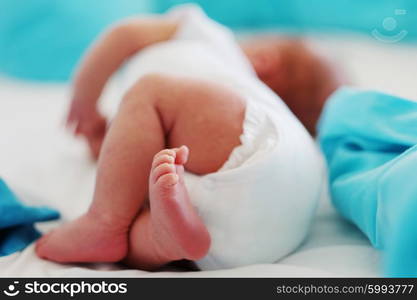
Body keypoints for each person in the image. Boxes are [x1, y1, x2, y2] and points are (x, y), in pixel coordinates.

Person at [35, 5, 337, 270]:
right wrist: (107, 144)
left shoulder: (207, 37)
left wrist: (84, 101)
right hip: (280, 225)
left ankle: (103, 220)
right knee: (136, 217)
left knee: (149, 90)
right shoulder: (216, 121)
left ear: (264, 59)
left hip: (268, 150)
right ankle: (161, 240)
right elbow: (130, 159)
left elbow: (124, 34)